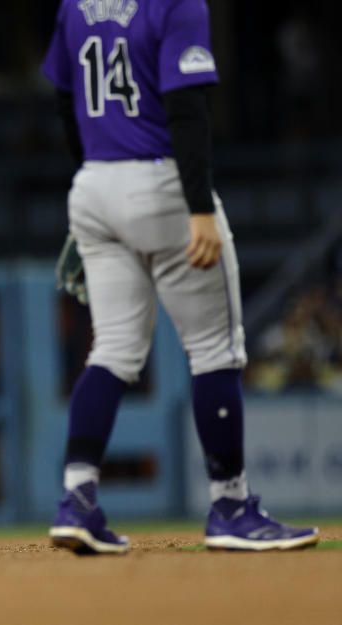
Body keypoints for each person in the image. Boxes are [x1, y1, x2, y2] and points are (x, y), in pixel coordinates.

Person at [41, 0, 319, 553]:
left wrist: (97, 181)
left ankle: (77, 498)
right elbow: (187, 107)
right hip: (162, 182)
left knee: (114, 349)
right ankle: (232, 504)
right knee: (215, 349)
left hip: (94, 183)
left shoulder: (75, 4)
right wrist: (199, 209)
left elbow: (65, 98)